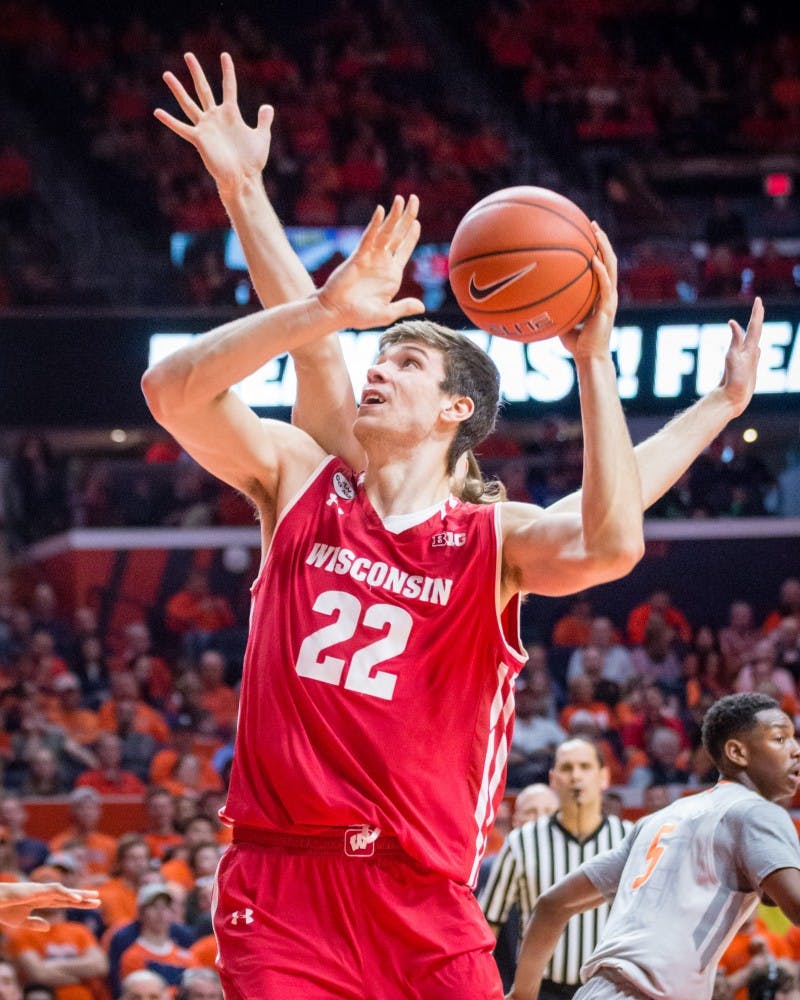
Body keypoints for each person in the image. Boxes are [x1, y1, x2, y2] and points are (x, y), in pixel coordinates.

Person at [149, 51, 764, 999]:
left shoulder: (492, 542)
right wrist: (274, 236)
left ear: (454, 412)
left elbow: (608, 532)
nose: (374, 368)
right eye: (377, 353)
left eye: (402, 360)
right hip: (281, 889)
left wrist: (630, 374)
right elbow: (171, 390)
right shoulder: (306, 483)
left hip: (423, 900)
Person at [508, 693, 800, 1000]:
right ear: (737, 752)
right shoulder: (756, 811)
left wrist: (521, 995)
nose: (795, 750)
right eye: (780, 739)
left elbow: (552, 904)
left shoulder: (657, 821)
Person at [481, 738, 631, 998]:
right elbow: (487, 925)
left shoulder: (629, 840)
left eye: (585, 767)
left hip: (610, 990)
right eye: (567, 768)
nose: (576, 776)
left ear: (604, 777)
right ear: (553, 779)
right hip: (542, 990)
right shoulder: (522, 841)